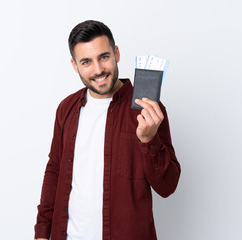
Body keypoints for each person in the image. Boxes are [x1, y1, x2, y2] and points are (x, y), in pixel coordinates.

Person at [34, 20, 181, 240]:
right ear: (75, 66)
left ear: (116, 53)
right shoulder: (66, 108)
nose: (98, 70)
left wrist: (149, 140)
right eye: (86, 62)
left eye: (104, 57)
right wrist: (42, 233)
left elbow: (167, 186)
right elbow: (54, 170)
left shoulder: (146, 109)